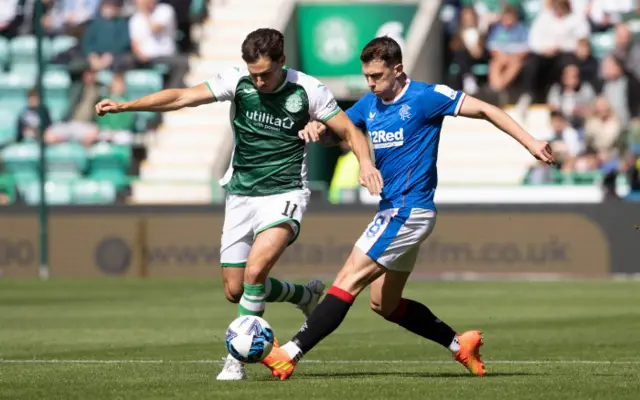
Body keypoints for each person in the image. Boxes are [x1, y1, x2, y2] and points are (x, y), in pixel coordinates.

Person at [95, 28, 383, 381]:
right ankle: (303, 296)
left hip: (285, 193)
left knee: (254, 272)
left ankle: (235, 360)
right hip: (241, 194)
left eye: (266, 73)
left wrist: (365, 163)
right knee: (236, 289)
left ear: (282, 62)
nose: (259, 81)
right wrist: (127, 105)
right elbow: (184, 97)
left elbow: (350, 131)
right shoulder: (237, 80)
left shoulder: (309, 90)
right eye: (254, 74)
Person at [261, 36, 554, 381]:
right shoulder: (369, 104)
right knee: (383, 304)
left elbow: (486, 110)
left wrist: (531, 141)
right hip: (394, 211)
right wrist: (318, 128)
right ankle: (459, 345)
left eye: (377, 76)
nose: (370, 83)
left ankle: (289, 354)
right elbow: (338, 132)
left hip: (408, 211)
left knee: (346, 279)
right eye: (367, 76)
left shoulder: (426, 97)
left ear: (397, 69)